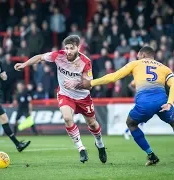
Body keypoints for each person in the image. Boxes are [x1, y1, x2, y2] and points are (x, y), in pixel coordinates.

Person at [76, 46, 174, 166]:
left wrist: (91, 82)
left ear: (143, 55)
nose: (137, 57)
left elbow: (113, 76)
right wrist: (169, 102)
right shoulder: (164, 68)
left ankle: (151, 155)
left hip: (145, 104)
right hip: (162, 101)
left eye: (138, 55)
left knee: (131, 124)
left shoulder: (136, 64)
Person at [14, 35, 107, 164]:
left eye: (71, 48)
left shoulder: (85, 62)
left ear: (78, 48)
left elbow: (89, 84)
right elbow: (40, 57)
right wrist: (24, 64)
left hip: (82, 97)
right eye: (67, 48)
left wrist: (75, 83)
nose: (68, 51)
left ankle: (100, 144)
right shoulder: (58, 55)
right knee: (67, 118)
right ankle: (81, 148)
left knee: (92, 123)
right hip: (65, 94)